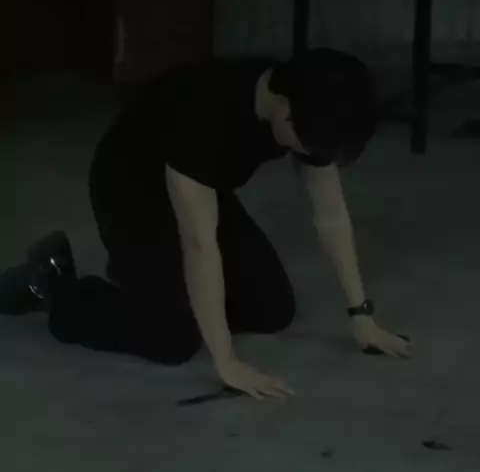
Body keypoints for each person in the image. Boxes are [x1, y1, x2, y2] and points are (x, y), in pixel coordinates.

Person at [0, 47, 411, 400]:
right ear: (285, 112)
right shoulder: (204, 113)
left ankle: (149, 282)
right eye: (313, 145)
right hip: (130, 190)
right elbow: (200, 244)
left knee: (272, 310)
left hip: (202, 186)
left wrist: (361, 315)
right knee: (173, 338)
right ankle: (55, 287)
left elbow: (331, 215)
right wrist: (227, 363)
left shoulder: (307, 102)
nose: (315, 156)